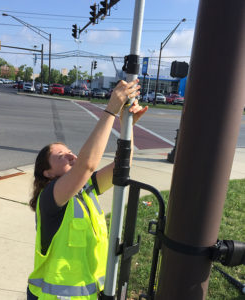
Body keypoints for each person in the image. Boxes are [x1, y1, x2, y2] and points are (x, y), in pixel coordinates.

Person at [27, 79, 148, 300]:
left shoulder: (85, 191)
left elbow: (121, 167)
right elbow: (86, 165)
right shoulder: (50, 198)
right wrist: (111, 110)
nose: (71, 155)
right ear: (48, 173)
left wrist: (127, 128)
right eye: (61, 156)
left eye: (70, 151)